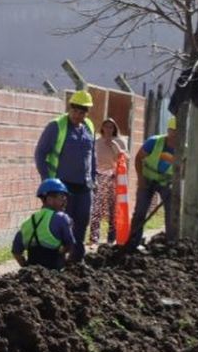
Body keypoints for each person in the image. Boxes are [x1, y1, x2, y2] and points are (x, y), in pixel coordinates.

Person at [34, 90, 97, 261]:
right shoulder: (56, 126)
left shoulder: (89, 127)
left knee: (82, 222)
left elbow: (92, 155)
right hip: (62, 186)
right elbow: (40, 153)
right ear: (70, 108)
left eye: (82, 112)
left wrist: (94, 179)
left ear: (87, 112)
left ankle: (77, 259)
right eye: (75, 110)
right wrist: (48, 181)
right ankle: (57, 260)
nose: (77, 115)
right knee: (61, 224)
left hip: (84, 186)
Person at [125, 118, 179, 250]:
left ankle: (171, 243)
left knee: (172, 212)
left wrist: (175, 184)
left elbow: (184, 170)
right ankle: (133, 242)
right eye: (173, 132)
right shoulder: (154, 142)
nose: (175, 136)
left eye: (178, 133)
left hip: (166, 182)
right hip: (147, 179)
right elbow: (138, 158)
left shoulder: (184, 149)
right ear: (168, 131)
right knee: (140, 211)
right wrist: (141, 178)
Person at [12, 179, 78, 270]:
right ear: (49, 200)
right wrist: (67, 260)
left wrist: (26, 266)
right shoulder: (61, 218)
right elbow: (71, 244)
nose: (64, 200)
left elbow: (16, 252)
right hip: (54, 272)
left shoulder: (27, 223)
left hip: (33, 272)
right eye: (61, 197)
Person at [88, 118, 127, 246]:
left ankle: (112, 238)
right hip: (99, 176)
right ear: (102, 128)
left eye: (111, 127)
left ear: (115, 129)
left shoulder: (120, 142)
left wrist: (114, 146)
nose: (109, 129)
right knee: (97, 207)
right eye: (106, 126)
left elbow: (124, 158)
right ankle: (94, 238)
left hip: (113, 177)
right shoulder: (97, 142)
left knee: (113, 208)